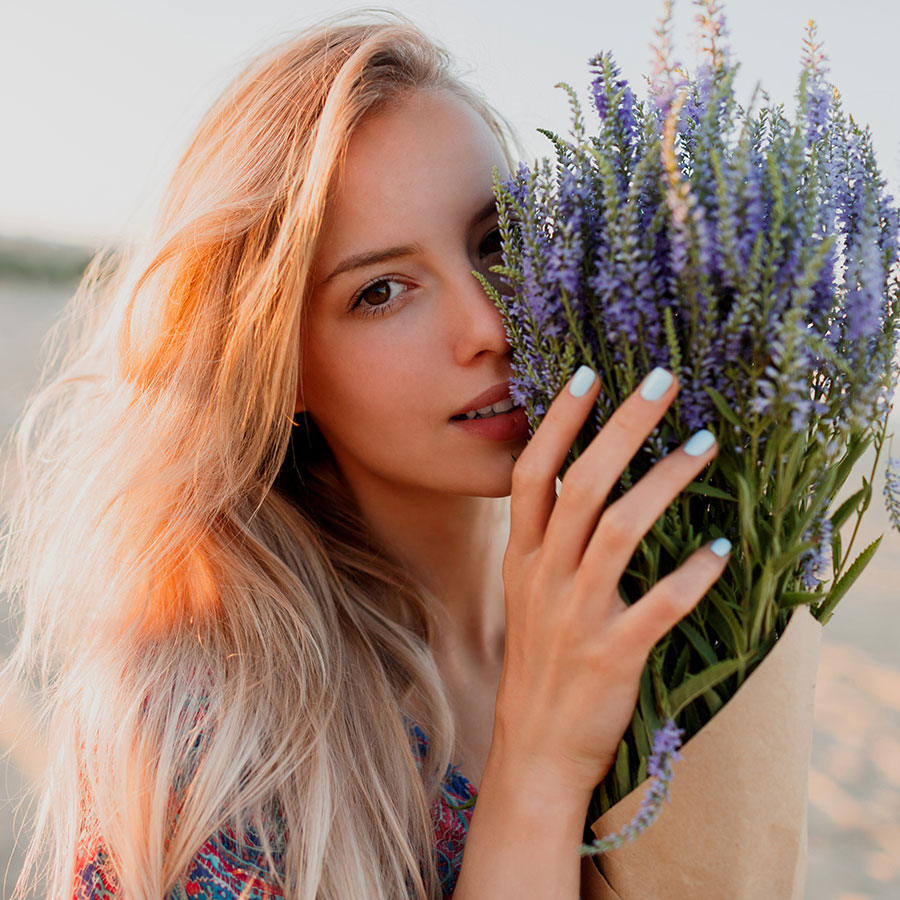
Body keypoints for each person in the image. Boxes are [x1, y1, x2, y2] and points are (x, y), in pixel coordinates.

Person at [1, 9, 729, 899]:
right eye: (382, 291)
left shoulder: (649, 618)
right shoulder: (211, 734)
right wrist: (538, 771)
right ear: (280, 362)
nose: (487, 327)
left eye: (496, 244)